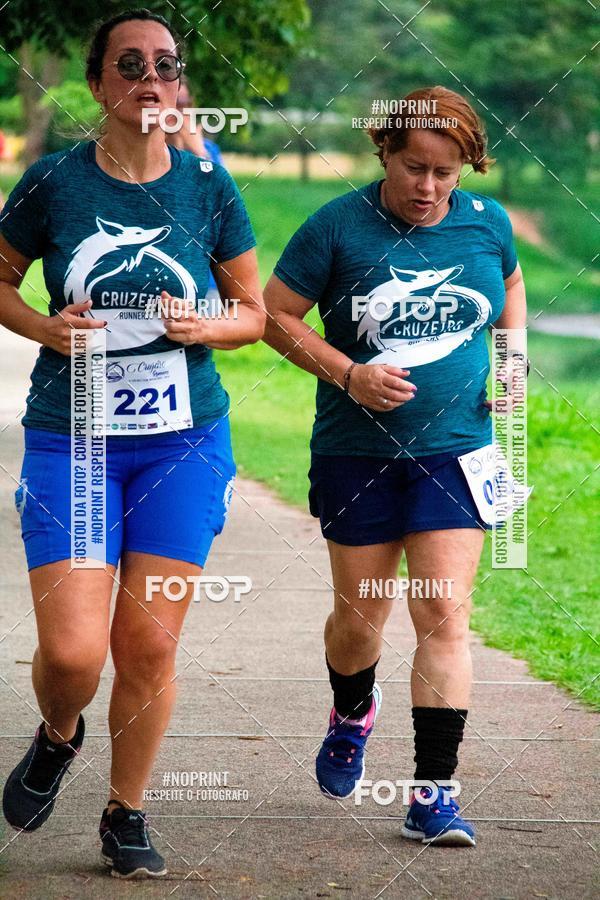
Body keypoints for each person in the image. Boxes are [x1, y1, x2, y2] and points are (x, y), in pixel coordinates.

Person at [0, 8, 264, 878]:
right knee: (73, 655)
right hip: (71, 439)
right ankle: (57, 731)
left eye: (166, 65)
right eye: (131, 65)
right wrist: (45, 326)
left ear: (178, 84)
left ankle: (126, 811)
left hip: (181, 441)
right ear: (98, 85)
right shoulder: (53, 184)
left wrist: (206, 328)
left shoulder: (205, 186)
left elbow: (254, 316)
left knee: (147, 645)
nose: (152, 80)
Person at [263, 85, 526, 847]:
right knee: (359, 619)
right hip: (357, 453)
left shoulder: (487, 225)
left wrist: (512, 361)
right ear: (384, 150)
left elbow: (508, 283)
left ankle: (432, 793)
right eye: (415, 167)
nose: (429, 188)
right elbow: (273, 317)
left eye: (446, 173)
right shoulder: (338, 226)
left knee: (443, 613)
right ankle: (352, 710)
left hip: (459, 453)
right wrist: (348, 374)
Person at [166, 76, 225, 309]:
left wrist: (198, 151)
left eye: (185, 104)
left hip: (205, 278)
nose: (180, 112)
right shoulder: (146, 155)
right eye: (174, 103)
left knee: (201, 343)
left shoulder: (208, 151)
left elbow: (226, 209)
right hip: (160, 281)